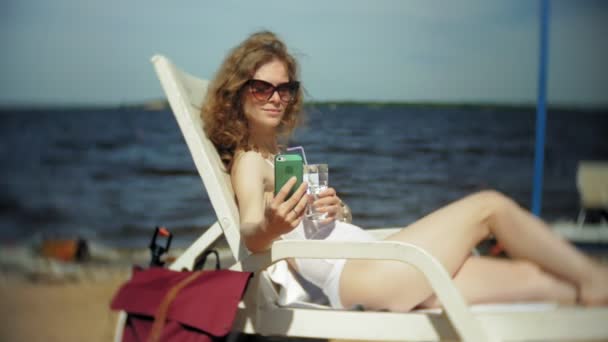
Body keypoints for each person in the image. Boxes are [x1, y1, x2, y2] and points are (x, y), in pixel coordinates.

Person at [201, 30, 608, 312]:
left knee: (538, 280)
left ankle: (590, 289)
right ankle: (595, 279)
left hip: (372, 266)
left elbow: (307, 231)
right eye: (261, 87)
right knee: (490, 207)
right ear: (239, 93)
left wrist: (337, 211)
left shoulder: (280, 155)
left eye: (284, 89)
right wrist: (272, 225)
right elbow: (252, 233)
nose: (275, 98)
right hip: (363, 275)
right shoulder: (250, 159)